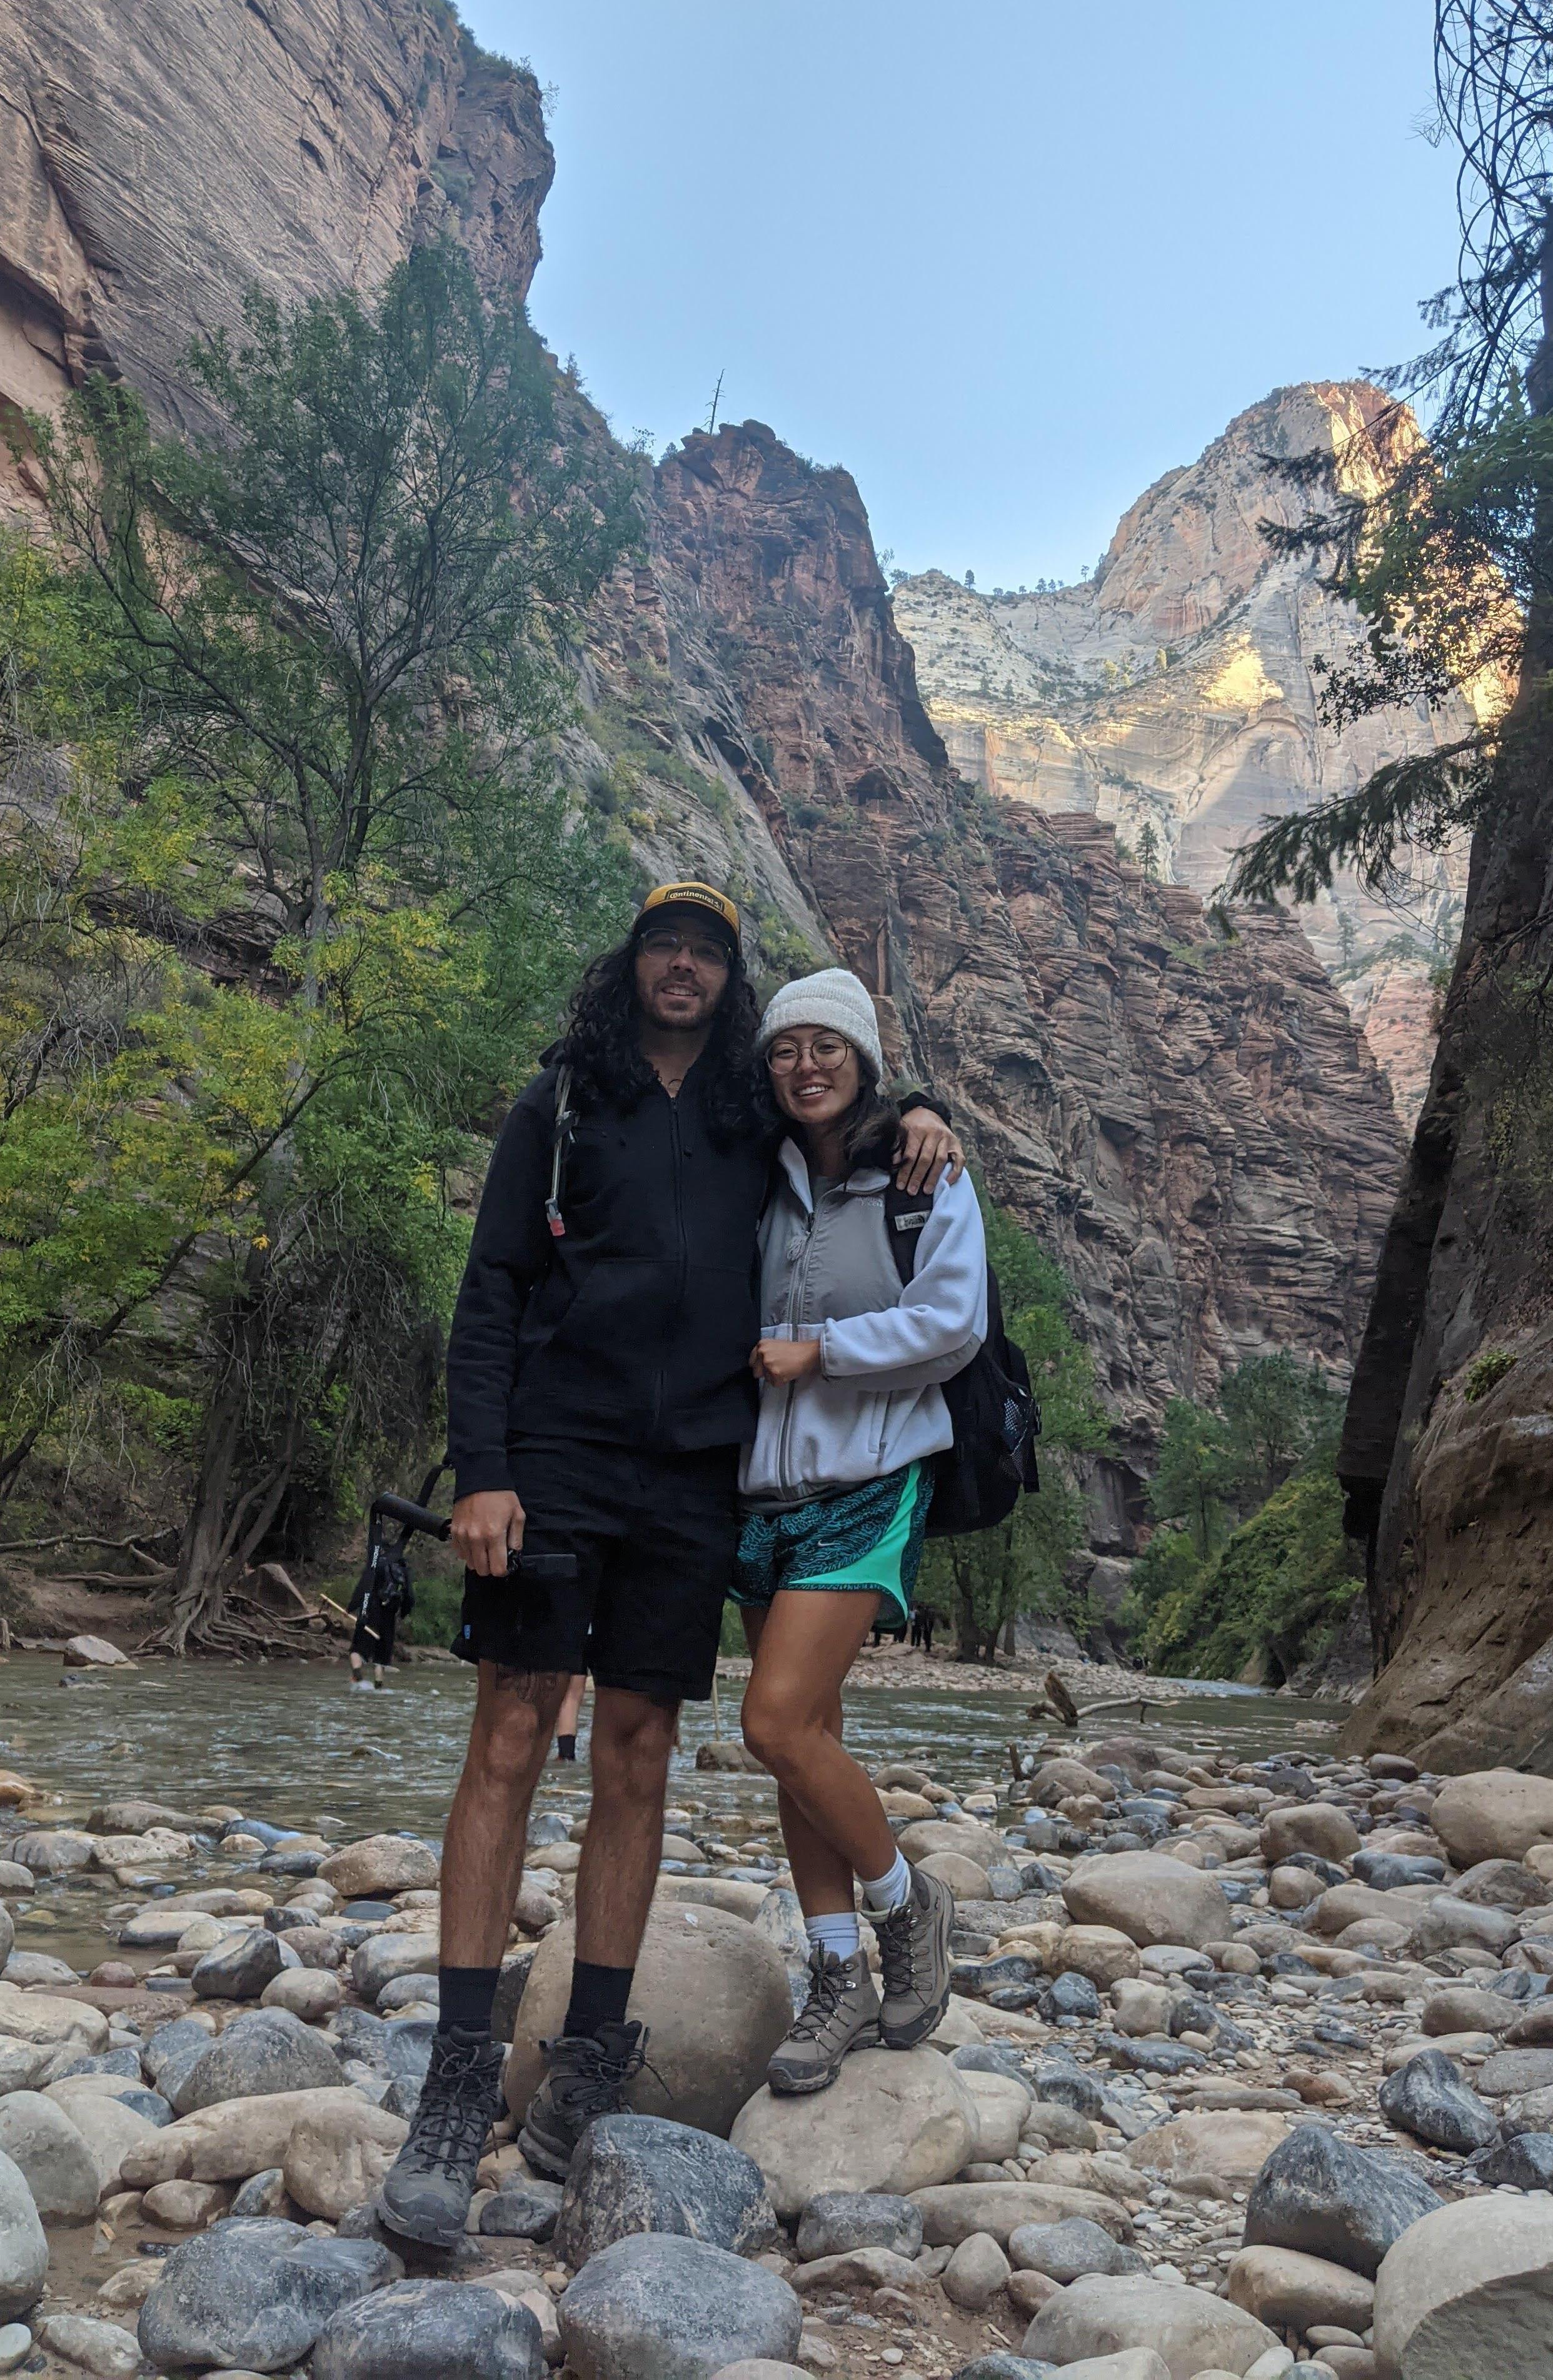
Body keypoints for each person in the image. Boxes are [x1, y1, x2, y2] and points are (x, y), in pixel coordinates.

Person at [375, 885, 963, 2246]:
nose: (683, 966)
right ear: (631, 966)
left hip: (699, 1475)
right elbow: (492, 1290)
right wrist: (483, 1470)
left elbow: (850, 1111)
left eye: (706, 951)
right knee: (513, 1731)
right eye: (663, 947)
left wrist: (928, 1105)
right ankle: (460, 2084)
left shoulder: (756, 1114)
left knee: (636, 1747)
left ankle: (588, 2052)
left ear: (729, 979)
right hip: (556, 1453)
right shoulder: (563, 1102)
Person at [731, 968, 987, 2093]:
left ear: (866, 1063)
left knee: (775, 1725)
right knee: (810, 1745)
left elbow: (953, 1326)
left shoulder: (921, 1177)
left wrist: (822, 1354)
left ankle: (905, 1901)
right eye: (786, 1050)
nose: (806, 1067)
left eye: (827, 1047)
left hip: (868, 1480)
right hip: (758, 1495)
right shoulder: (760, 1174)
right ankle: (835, 1975)